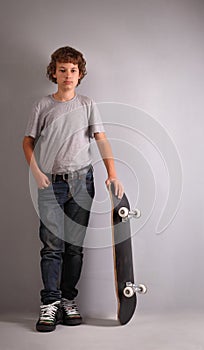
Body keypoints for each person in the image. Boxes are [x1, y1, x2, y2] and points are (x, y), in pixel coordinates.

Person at [23, 46, 124, 332]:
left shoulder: (87, 104)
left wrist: (112, 173)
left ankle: (68, 300)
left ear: (80, 75)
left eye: (73, 70)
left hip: (82, 183)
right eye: (63, 70)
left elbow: (101, 139)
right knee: (51, 246)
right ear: (53, 72)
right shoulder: (42, 105)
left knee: (75, 249)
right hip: (50, 184)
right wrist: (36, 172)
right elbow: (27, 141)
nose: (68, 75)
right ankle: (50, 304)